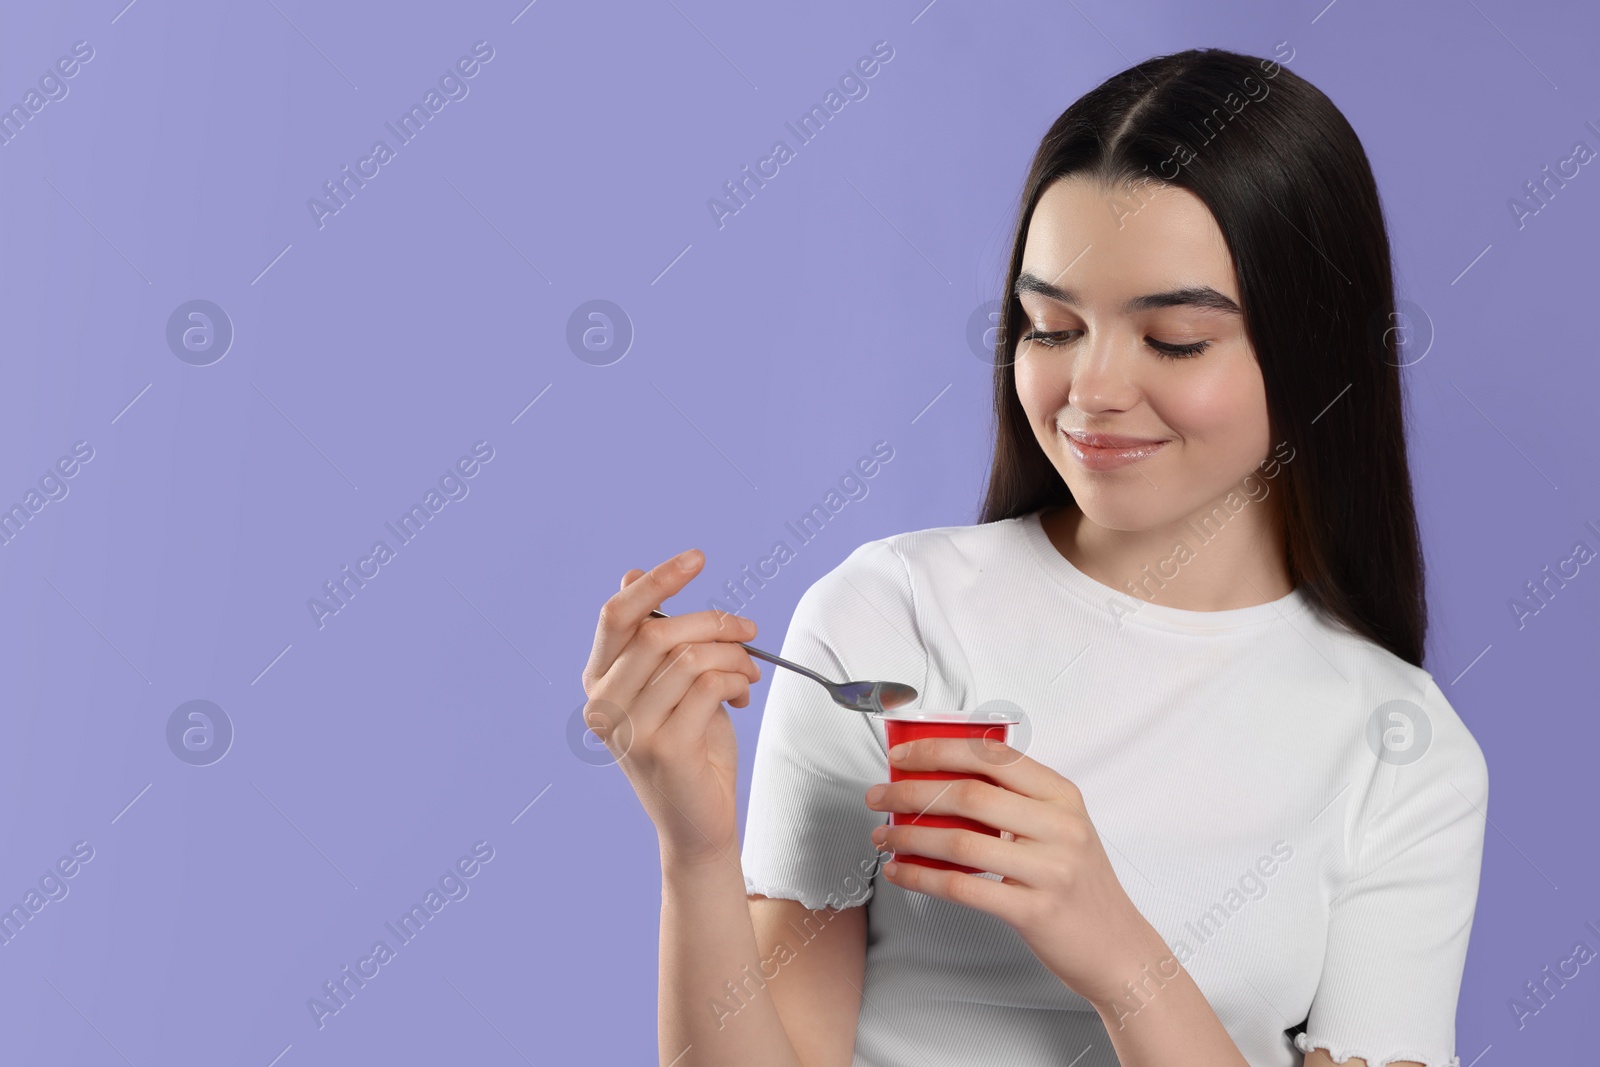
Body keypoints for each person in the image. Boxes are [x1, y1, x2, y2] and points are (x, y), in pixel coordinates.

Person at [580, 45, 1488, 1067]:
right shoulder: (891, 619)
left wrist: (1117, 951)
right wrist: (696, 852)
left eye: (1175, 339)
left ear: (1316, 345)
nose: (1089, 389)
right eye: (1050, 325)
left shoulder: (1398, 749)